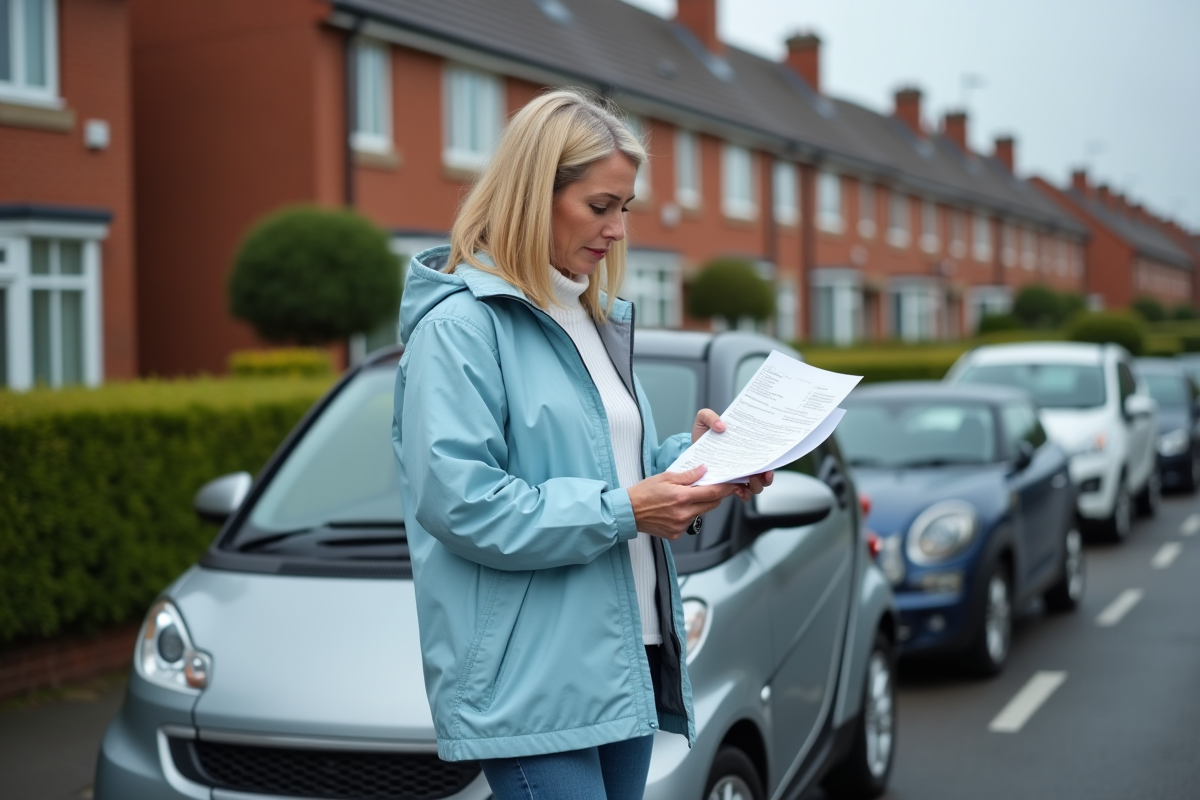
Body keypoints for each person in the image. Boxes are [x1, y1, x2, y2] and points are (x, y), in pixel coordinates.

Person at [392, 88, 772, 800]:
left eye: (624, 208)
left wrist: (693, 464)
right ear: (535, 195)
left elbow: (608, 472)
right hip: (532, 679)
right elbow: (463, 503)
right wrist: (627, 509)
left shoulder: (589, 316)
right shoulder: (460, 329)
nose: (618, 230)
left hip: (622, 656)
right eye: (601, 207)